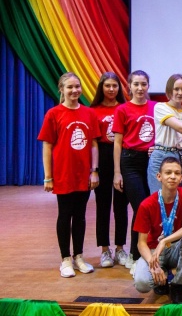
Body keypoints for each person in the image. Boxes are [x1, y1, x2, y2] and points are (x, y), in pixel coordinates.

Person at [38, 72, 100, 278]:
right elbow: (47, 146)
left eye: (77, 86)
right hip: (63, 173)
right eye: (70, 87)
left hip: (84, 174)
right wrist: (48, 176)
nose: (74, 90)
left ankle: (79, 256)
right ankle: (65, 259)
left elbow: (93, 144)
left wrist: (94, 171)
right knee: (65, 215)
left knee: (80, 216)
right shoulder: (53, 114)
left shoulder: (89, 113)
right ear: (62, 90)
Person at [133, 157, 182, 304]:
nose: (173, 176)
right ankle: (161, 275)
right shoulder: (146, 204)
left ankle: (178, 284)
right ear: (159, 176)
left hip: (176, 247)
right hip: (155, 251)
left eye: (177, 173)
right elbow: (141, 243)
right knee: (142, 284)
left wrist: (164, 241)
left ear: (181, 177)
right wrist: (153, 264)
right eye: (168, 173)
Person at [113, 70, 156, 272]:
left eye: (143, 84)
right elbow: (118, 143)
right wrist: (117, 172)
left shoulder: (156, 107)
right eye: (136, 84)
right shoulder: (122, 110)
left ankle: (149, 250)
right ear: (129, 86)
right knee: (141, 208)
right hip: (130, 162)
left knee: (151, 207)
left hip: (152, 161)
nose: (140, 88)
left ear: (148, 86)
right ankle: (134, 254)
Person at [90, 72, 128, 268]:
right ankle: (105, 250)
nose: (111, 89)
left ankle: (120, 248)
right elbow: (93, 143)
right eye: (107, 86)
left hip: (122, 157)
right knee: (103, 205)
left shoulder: (125, 108)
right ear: (101, 88)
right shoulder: (93, 110)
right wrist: (94, 169)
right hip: (103, 156)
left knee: (121, 206)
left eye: (115, 85)